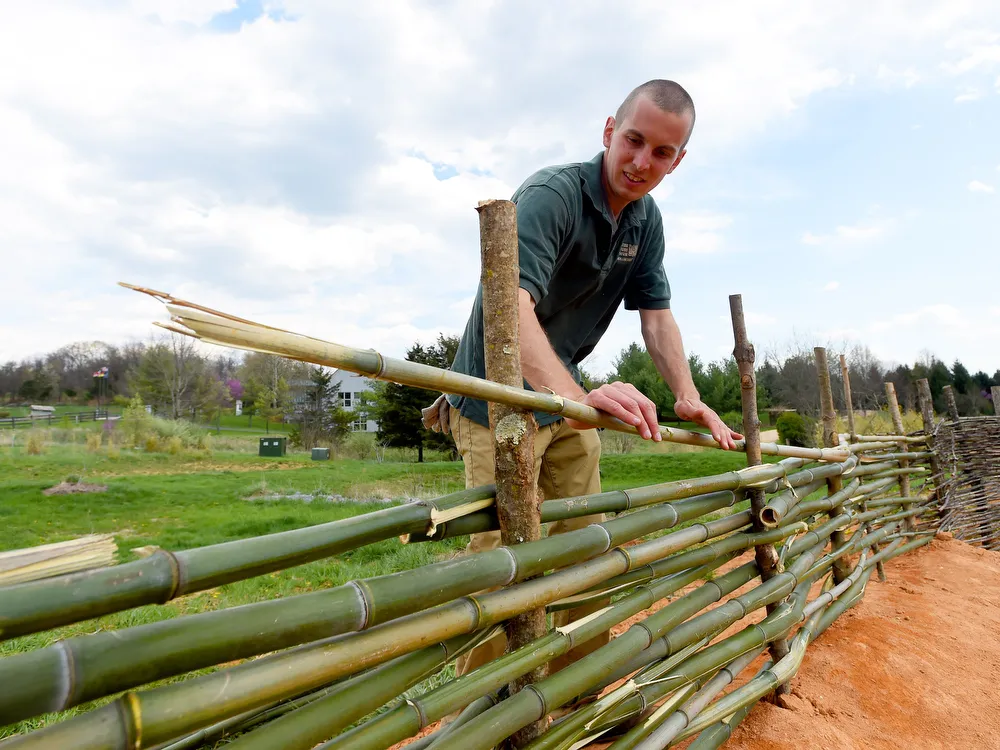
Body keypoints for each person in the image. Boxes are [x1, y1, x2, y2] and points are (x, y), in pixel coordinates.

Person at [422, 79, 743, 680]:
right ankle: (488, 708)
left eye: (661, 153)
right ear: (608, 133)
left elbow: (657, 315)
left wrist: (689, 396)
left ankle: (569, 687)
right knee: (506, 556)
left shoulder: (645, 222)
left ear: (679, 160)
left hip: (565, 396)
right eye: (633, 141)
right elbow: (509, 309)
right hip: (494, 396)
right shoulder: (552, 196)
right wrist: (575, 398)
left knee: (585, 543)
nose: (641, 162)